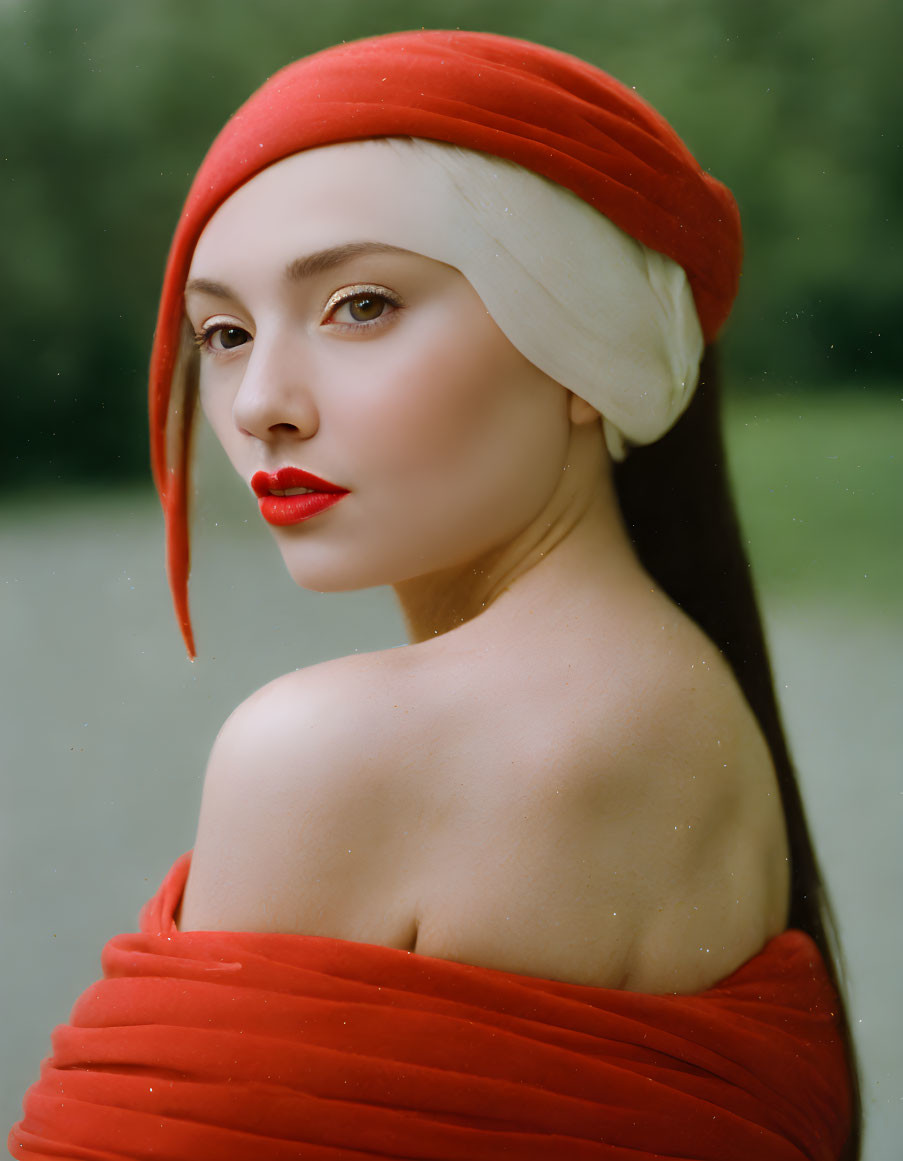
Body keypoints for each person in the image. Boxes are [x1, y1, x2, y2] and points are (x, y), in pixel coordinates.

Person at [9, 29, 857, 1161]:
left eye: (361, 305)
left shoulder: (336, 747)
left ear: (580, 344)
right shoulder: (707, 716)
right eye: (224, 333)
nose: (263, 402)